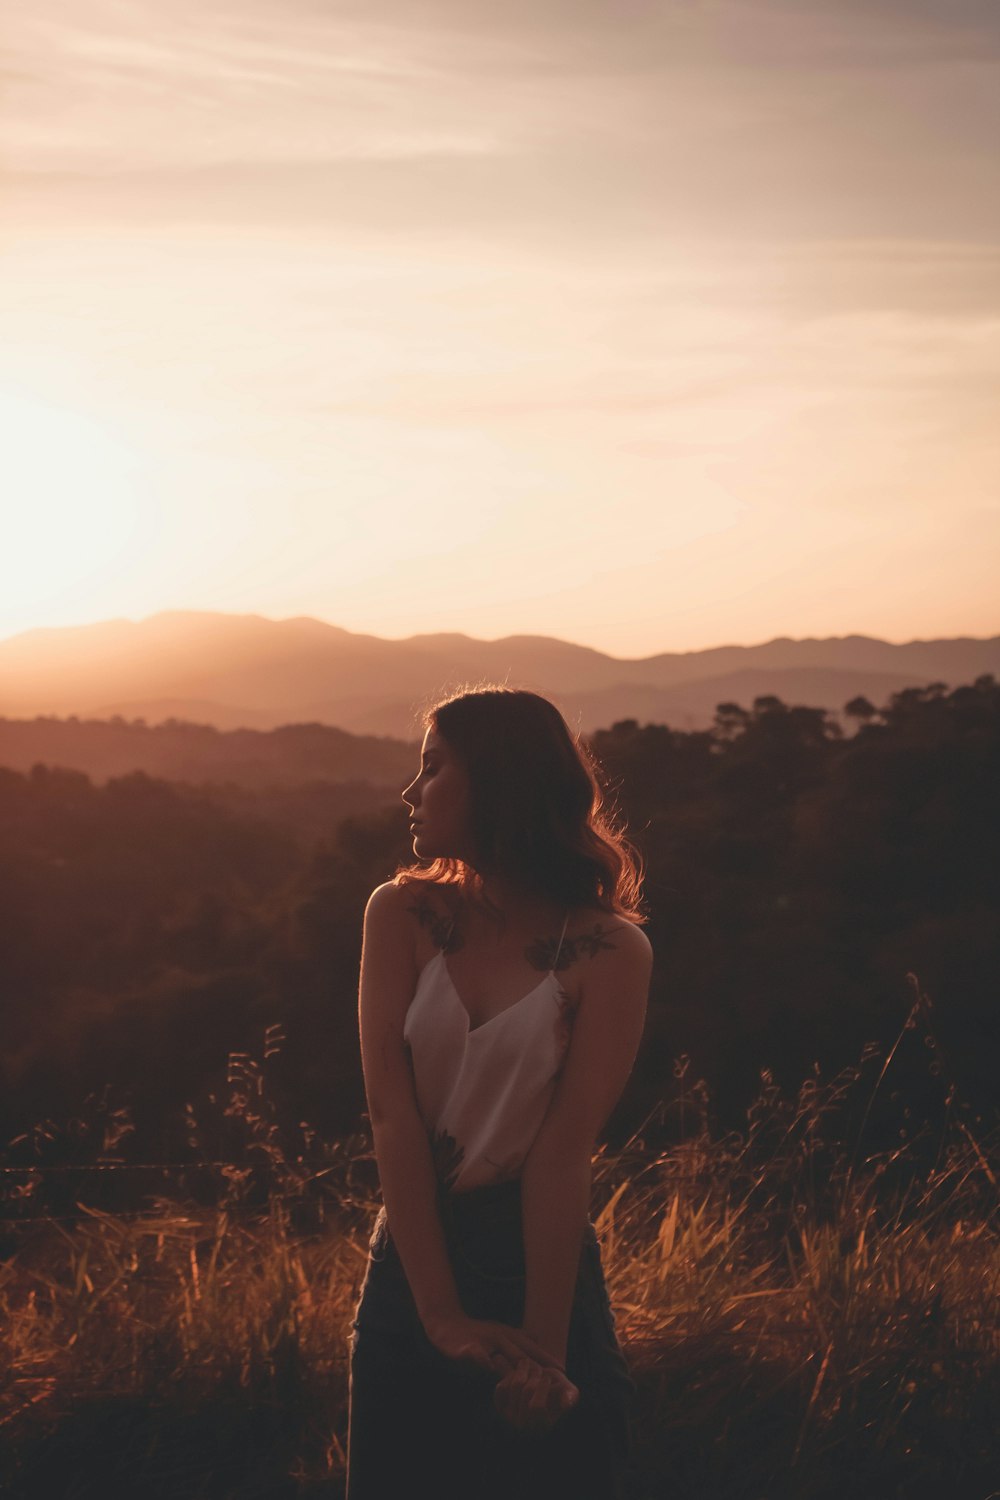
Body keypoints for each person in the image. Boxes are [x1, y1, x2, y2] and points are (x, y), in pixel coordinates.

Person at [346, 687, 652, 1499]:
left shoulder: (610, 949)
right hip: (415, 1251)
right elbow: (392, 1115)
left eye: (433, 769)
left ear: (498, 782)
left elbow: (561, 1154)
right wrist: (439, 1314)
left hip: (540, 1254)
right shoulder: (401, 912)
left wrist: (546, 1352)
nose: (411, 794)